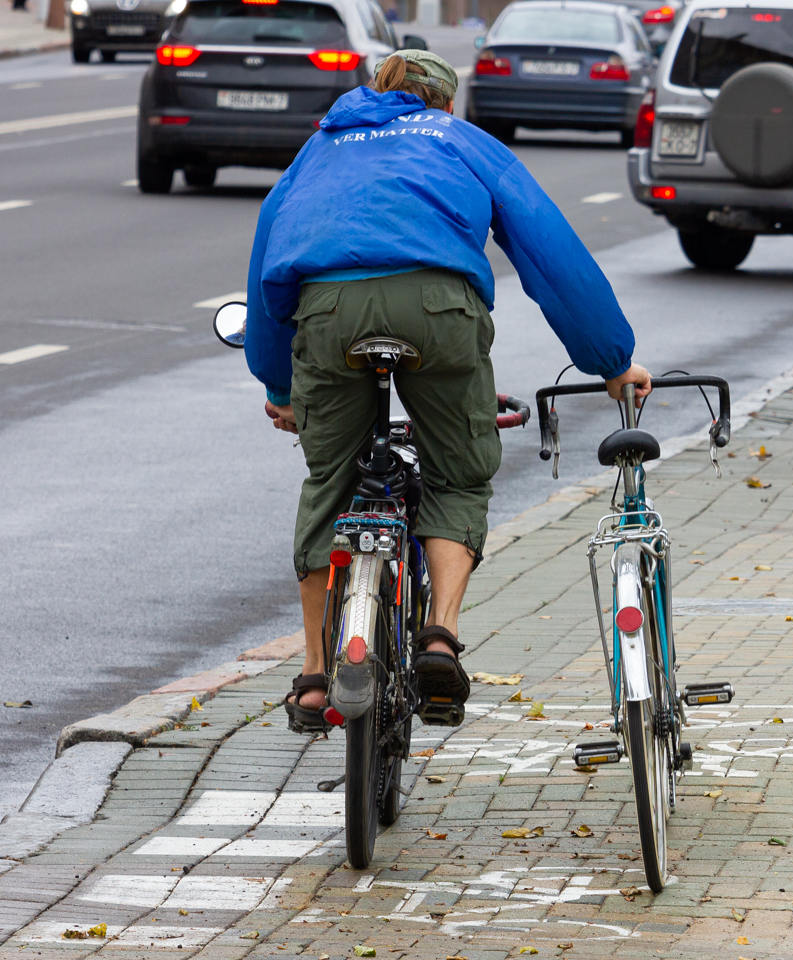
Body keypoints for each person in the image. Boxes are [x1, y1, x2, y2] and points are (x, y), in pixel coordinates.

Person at [243, 50, 651, 732]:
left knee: (329, 480)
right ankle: (438, 637)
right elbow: (549, 251)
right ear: (442, 104)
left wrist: (279, 383)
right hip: (438, 311)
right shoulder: (460, 140)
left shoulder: (318, 150)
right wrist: (610, 361)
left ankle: (314, 678)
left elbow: (268, 266)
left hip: (328, 314)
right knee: (458, 474)